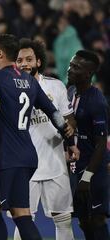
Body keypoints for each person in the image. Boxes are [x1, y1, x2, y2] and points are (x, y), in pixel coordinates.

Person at [0, 34, 79, 240]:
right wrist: (70, 141)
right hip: (28, 156)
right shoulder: (29, 81)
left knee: (22, 216)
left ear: (0, 54)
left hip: (10, 158)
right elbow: (54, 113)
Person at [13, 38, 75, 240]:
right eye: (20, 60)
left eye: (29, 59)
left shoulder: (55, 86)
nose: (24, 64)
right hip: (24, 166)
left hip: (54, 162)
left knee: (63, 220)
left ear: (39, 61)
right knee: (22, 219)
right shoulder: (9, 90)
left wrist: (71, 133)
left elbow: (68, 119)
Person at [67, 50, 110, 239]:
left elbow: (101, 143)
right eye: (70, 64)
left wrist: (87, 177)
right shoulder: (70, 92)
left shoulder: (97, 101)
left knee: (97, 219)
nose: (69, 69)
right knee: (83, 220)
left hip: (95, 170)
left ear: (88, 73)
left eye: (75, 67)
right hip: (76, 167)